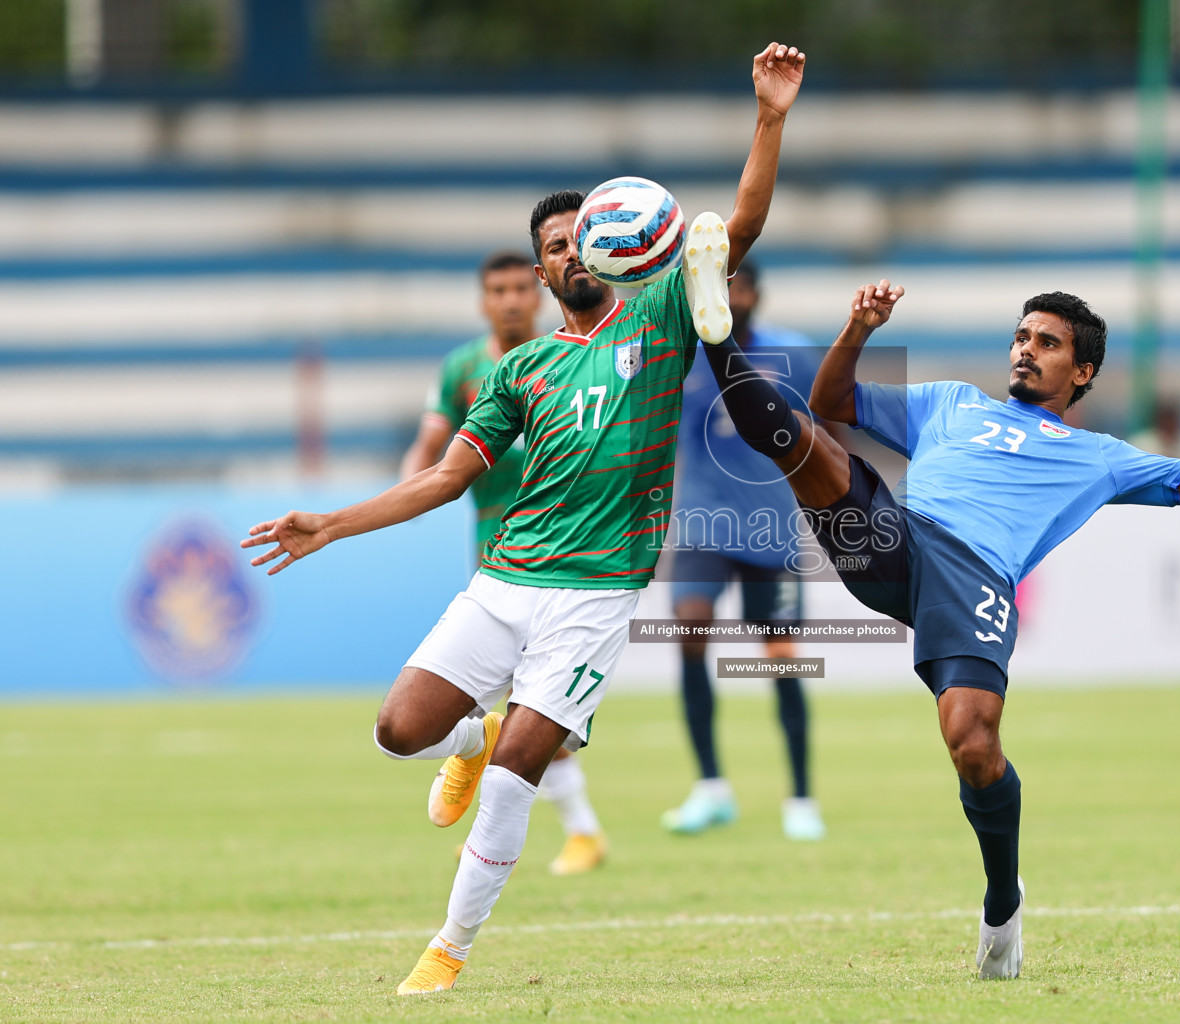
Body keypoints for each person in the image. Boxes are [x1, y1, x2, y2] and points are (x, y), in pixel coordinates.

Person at [242, 41, 806, 995]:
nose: (571, 250)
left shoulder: (657, 318)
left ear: (606, 248)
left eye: (583, 234)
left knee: (516, 776)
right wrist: (331, 524)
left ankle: (448, 949)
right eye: (554, 244)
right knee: (399, 730)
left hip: (593, 599)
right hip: (504, 582)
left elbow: (740, 224)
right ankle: (467, 741)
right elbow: (443, 482)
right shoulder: (516, 372)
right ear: (545, 273)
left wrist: (770, 116)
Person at [694, 278, 1180, 980]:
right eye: (1022, 337)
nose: (1026, 350)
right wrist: (859, 328)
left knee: (973, 745)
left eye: (1047, 343)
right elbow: (833, 401)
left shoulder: (1101, 457)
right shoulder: (951, 402)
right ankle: (715, 340)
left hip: (975, 581)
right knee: (797, 438)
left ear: (1081, 372)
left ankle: (1002, 902)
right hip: (895, 536)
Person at [399, 250, 606, 877]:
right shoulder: (463, 369)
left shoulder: (571, 362)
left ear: (539, 293)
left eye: (521, 287)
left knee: (532, 709)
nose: (512, 299)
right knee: (512, 709)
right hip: (496, 552)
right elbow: (431, 450)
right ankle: (573, 831)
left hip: (565, 557)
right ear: (483, 300)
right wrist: (410, 489)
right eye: (498, 289)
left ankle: (570, 832)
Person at [665, 259, 825, 841]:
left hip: (771, 527)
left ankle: (801, 796)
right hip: (704, 523)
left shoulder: (794, 354)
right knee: (690, 628)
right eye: (722, 287)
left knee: (782, 655)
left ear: (757, 293)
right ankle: (711, 787)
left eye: (742, 286)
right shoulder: (681, 354)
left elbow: (825, 423)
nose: (733, 297)